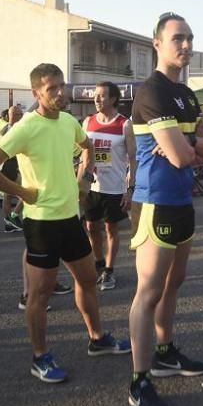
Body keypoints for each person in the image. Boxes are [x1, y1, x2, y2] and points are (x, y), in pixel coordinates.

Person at [0, 63, 131, 384]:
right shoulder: (26, 127)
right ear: (37, 93)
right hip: (42, 223)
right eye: (51, 89)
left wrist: (84, 178)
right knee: (40, 296)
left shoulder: (71, 121)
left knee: (88, 279)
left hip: (70, 218)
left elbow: (87, 147)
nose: (60, 93)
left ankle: (97, 339)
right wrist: (21, 192)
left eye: (62, 86)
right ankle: (39, 356)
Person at [126, 12, 203, 406]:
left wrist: (190, 146)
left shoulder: (188, 95)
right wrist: (189, 148)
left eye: (190, 38)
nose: (186, 45)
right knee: (148, 291)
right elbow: (186, 154)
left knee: (173, 283)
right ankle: (139, 381)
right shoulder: (152, 92)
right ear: (157, 44)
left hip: (182, 200)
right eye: (178, 38)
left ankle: (164, 352)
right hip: (156, 201)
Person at [82, 81, 135, 290]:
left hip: (115, 188)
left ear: (113, 99)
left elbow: (133, 159)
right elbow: (84, 156)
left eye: (102, 96)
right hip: (92, 187)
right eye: (95, 95)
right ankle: (99, 264)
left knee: (111, 228)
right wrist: (80, 185)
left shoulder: (124, 124)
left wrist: (130, 189)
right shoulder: (87, 122)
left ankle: (109, 271)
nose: (96, 99)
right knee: (91, 227)